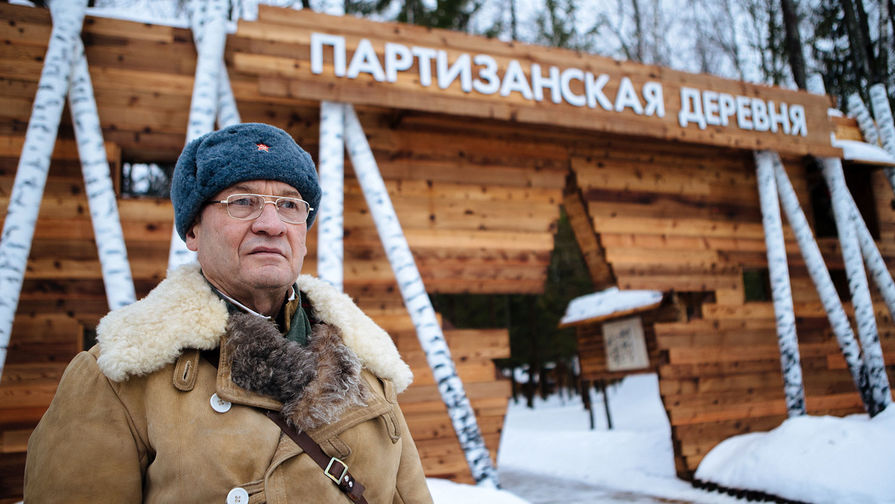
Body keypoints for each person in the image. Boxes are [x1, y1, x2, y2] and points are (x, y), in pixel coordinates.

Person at [24, 123, 434, 503]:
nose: (272, 224)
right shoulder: (116, 375)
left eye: (290, 205)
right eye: (243, 201)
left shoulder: (367, 357)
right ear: (192, 231)